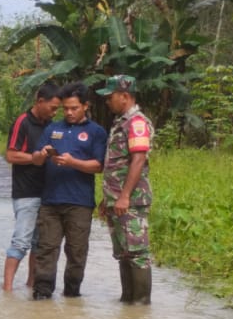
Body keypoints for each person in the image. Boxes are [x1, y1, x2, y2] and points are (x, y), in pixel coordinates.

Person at [30, 82, 106, 300]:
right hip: (51, 201)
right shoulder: (52, 129)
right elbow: (36, 160)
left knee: (76, 252)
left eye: (74, 108)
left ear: (85, 106)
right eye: (66, 108)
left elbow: (99, 166)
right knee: (46, 249)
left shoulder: (96, 132)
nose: (69, 113)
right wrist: (42, 154)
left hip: (79, 203)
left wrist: (73, 163)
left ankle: (72, 295)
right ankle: (42, 294)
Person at [97, 73, 154, 304]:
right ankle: (128, 304)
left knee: (137, 253)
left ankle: (140, 305)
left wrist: (125, 196)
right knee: (123, 253)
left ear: (124, 96)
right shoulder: (120, 123)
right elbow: (116, 164)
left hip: (131, 200)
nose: (107, 101)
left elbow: (138, 159)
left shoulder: (137, 123)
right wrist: (109, 199)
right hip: (118, 199)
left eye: (110, 96)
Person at [2, 82, 61, 292]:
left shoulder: (52, 126)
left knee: (39, 244)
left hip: (48, 193)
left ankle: (31, 285)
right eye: (52, 107)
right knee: (21, 241)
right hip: (26, 193)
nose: (55, 112)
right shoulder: (23, 122)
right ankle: (7, 289)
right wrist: (34, 158)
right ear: (40, 101)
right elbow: (11, 155)